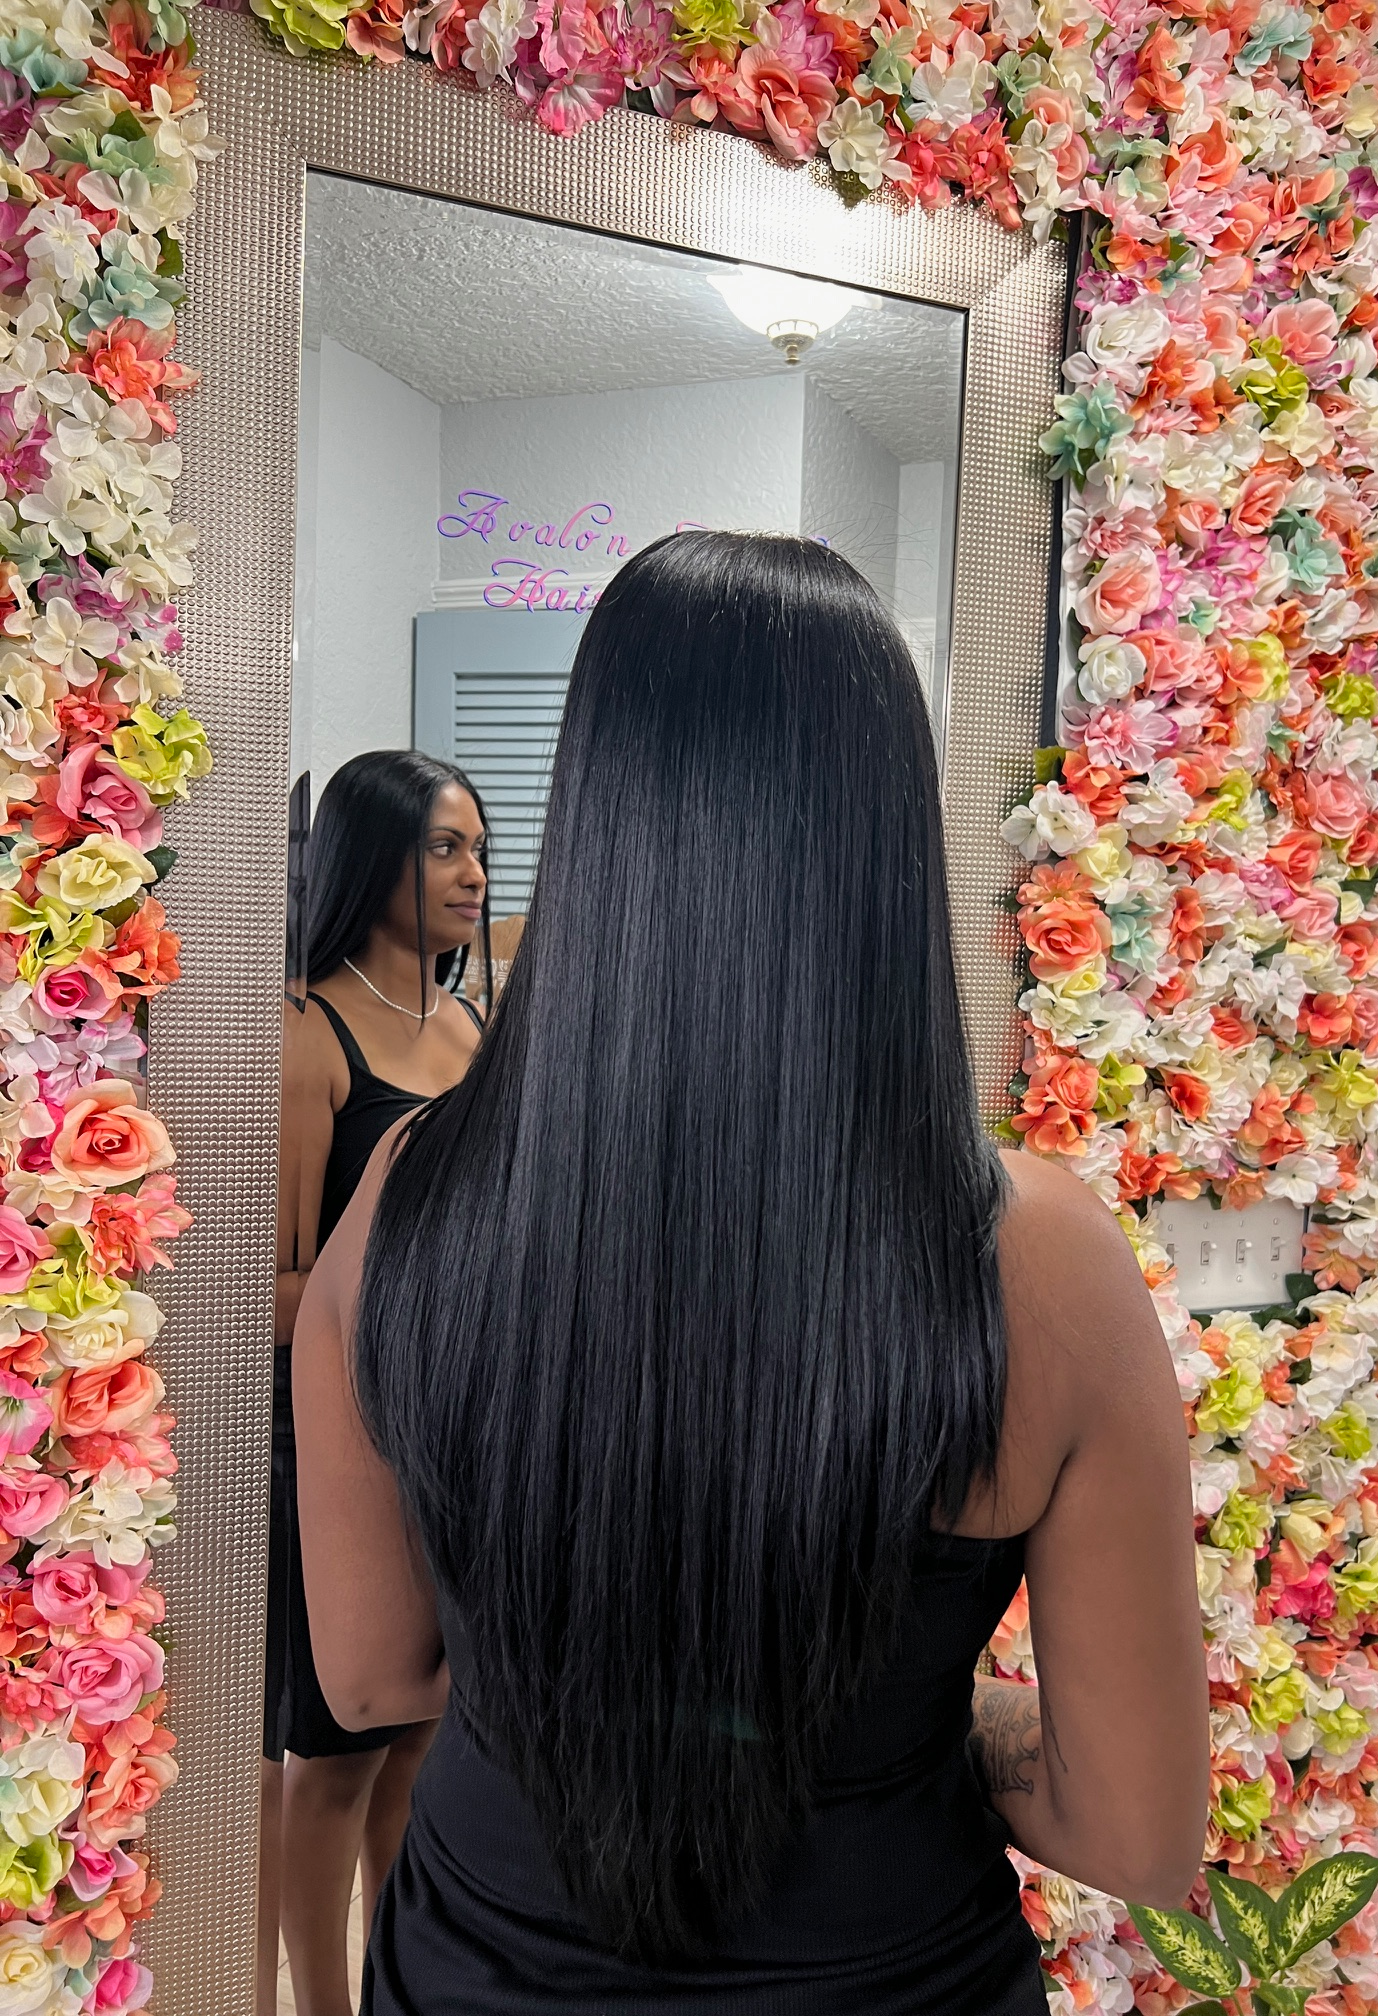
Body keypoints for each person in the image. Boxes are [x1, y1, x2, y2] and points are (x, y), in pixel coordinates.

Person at [295, 533, 1209, 2015]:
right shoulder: (1042, 1262)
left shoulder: (412, 1191)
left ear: (594, 816)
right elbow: (1140, 1831)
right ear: (889, 844)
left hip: (477, 1972)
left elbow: (371, 1682)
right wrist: (941, 1722)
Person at [263, 750, 490, 2016]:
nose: (470, 872)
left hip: (455, 1437)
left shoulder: (470, 1024)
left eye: (474, 846)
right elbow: (275, 1289)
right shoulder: (309, 1030)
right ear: (374, 858)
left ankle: (405, 1986)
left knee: (425, 1735)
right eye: (442, 847)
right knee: (331, 1756)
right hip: (340, 1443)